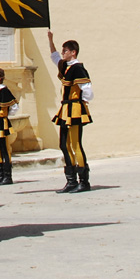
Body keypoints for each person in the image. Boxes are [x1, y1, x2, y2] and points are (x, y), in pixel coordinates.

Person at [48, 30, 93, 192]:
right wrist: (50, 39)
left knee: (76, 144)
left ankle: (83, 181)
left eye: (65, 51)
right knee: (64, 144)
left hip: (74, 108)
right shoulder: (65, 67)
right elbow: (54, 57)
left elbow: (87, 89)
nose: (63, 53)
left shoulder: (78, 68)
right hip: (66, 109)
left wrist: (83, 101)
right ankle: (71, 180)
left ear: (73, 52)